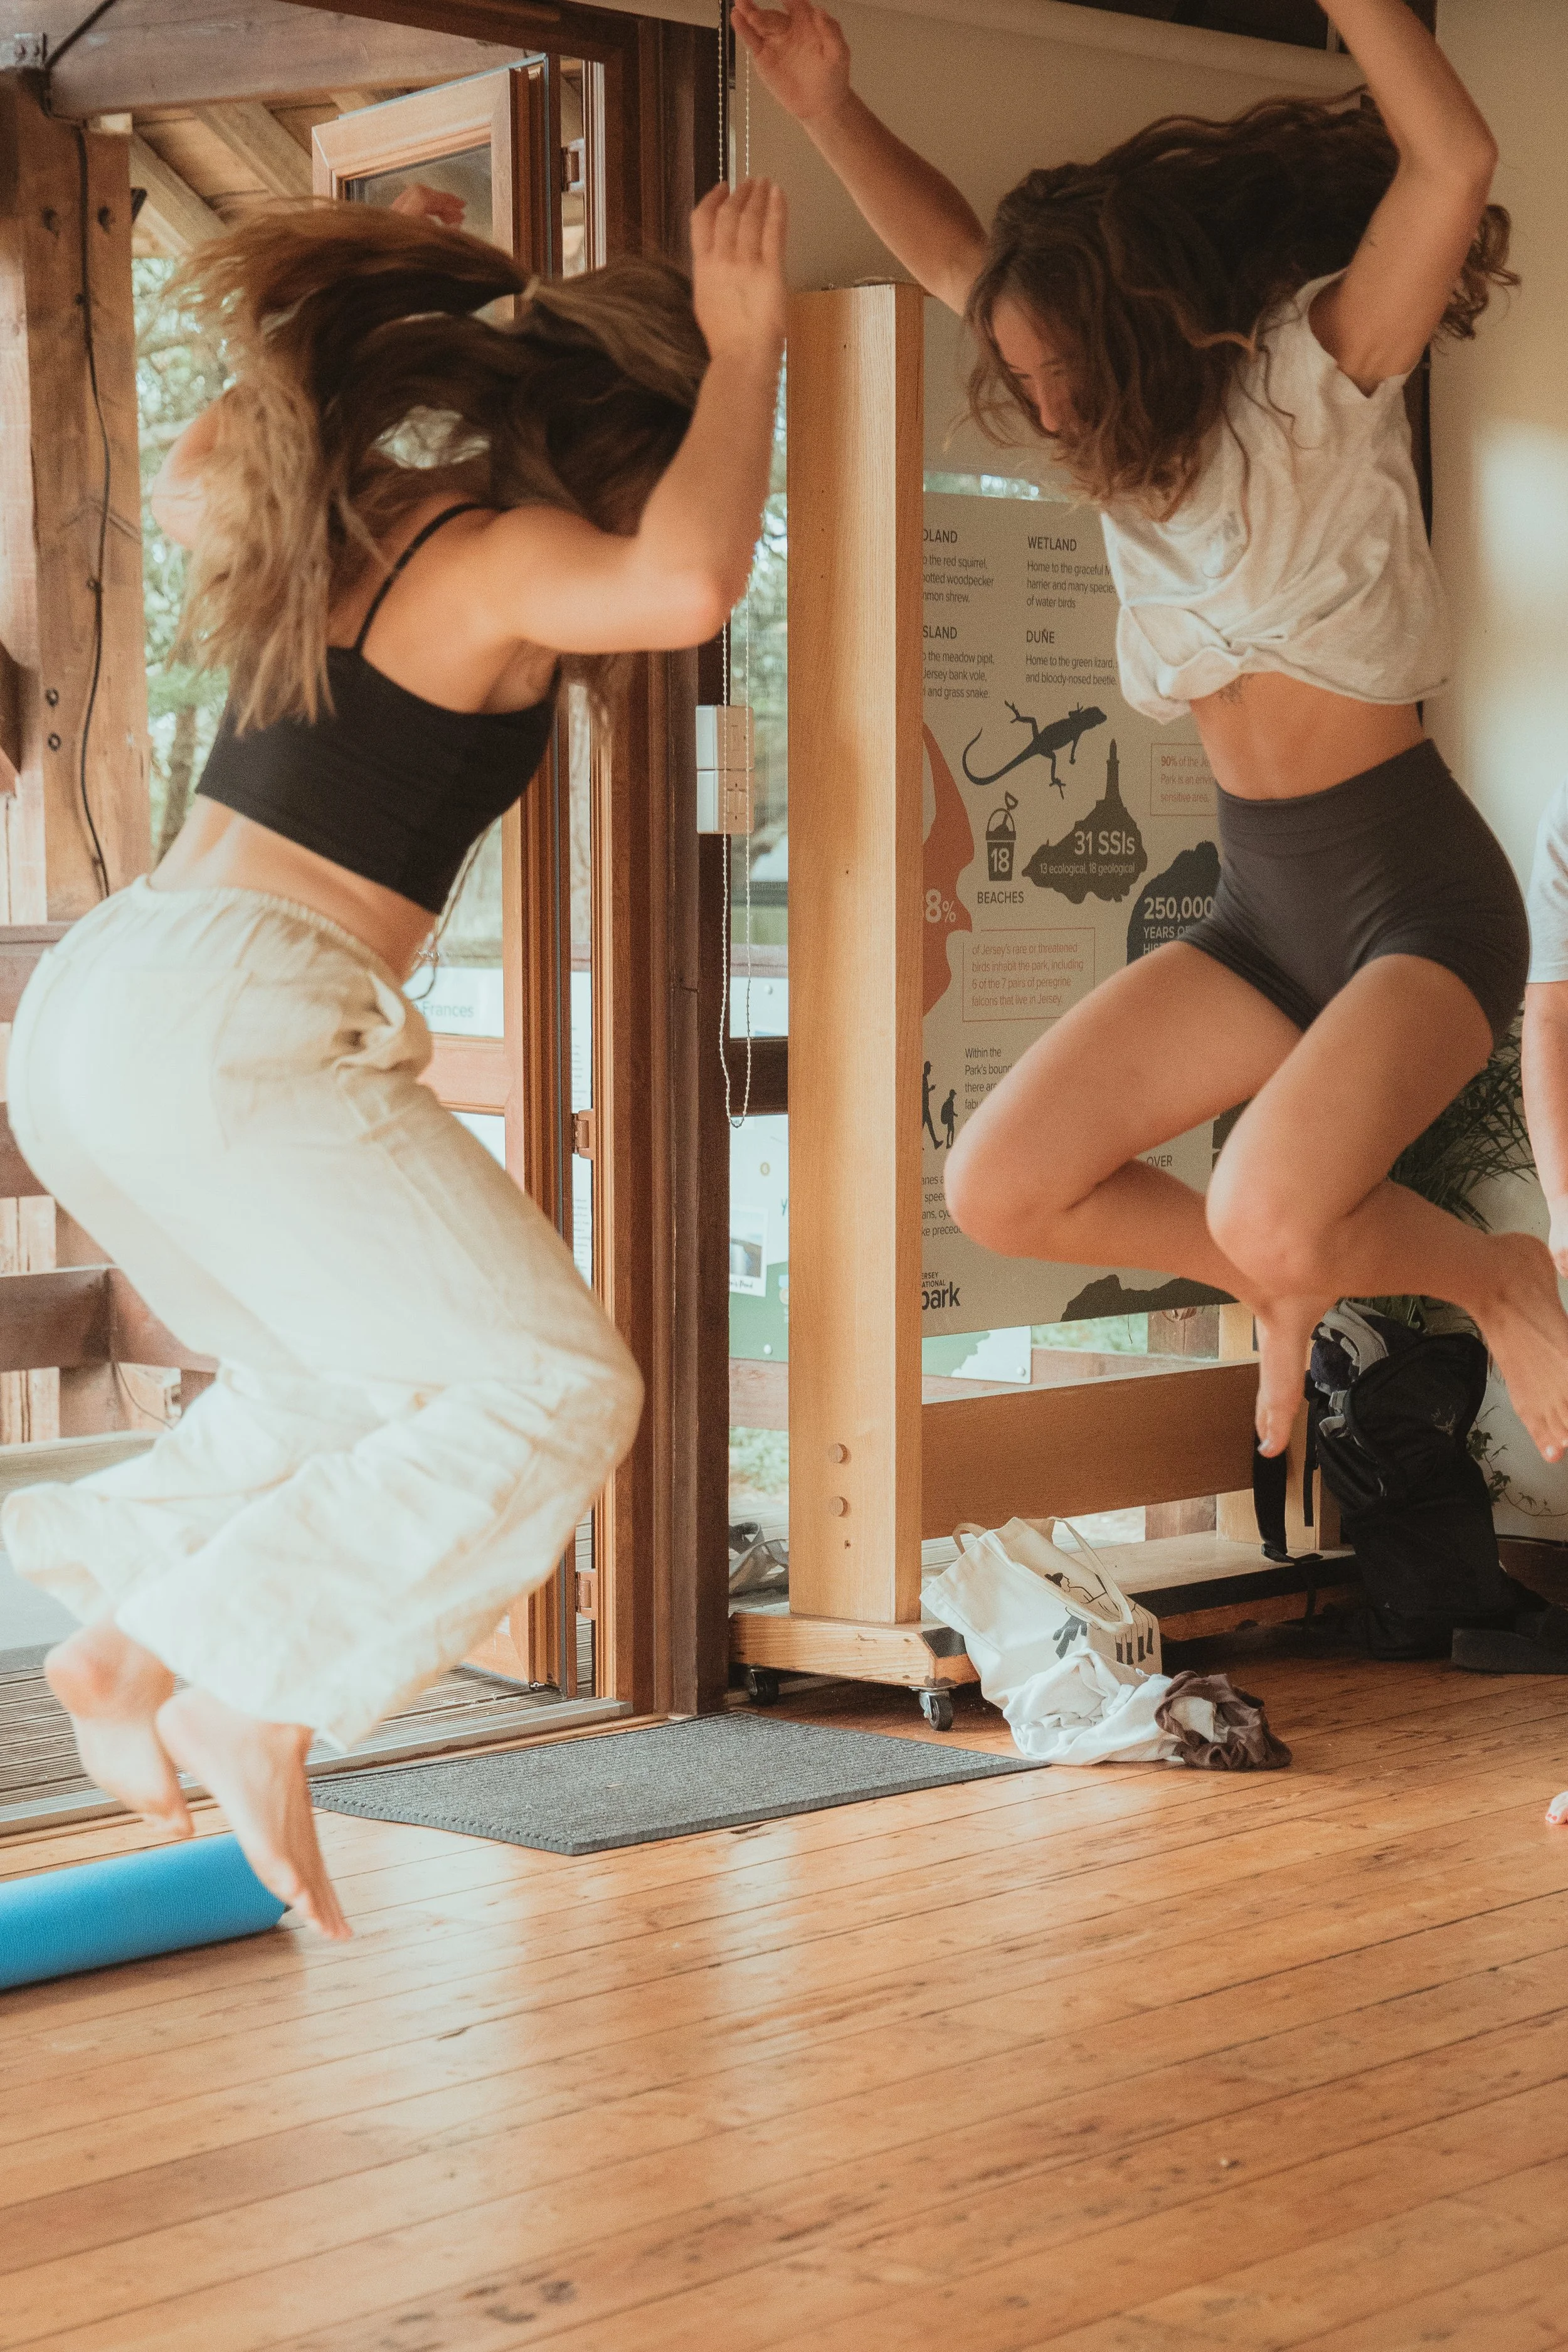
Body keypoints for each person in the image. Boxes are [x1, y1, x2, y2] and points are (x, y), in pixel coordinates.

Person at [3, 177, 788, 1938]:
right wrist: (755, 356)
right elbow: (684, 577)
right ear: (632, 439)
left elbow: (208, 460)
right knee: (558, 1386)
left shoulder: (353, 515)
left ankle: (134, 1635)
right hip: (235, 1015)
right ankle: (236, 1680)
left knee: (343, 1384)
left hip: (103, 1009)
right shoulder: (492, 544)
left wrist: (334, 327)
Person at [735, 0, 1568, 1476]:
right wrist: (824, 107)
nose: (1044, 406)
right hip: (1261, 908)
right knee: (1003, 1185)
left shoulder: (1315, 380)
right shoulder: (1123, 460)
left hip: (1415, 902)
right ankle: (1277, 1275)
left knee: (1264, 1203)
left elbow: (1449, 161)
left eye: (1059, 372)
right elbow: (946, 249)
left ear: (1140, 334)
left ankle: (1490, 1275)